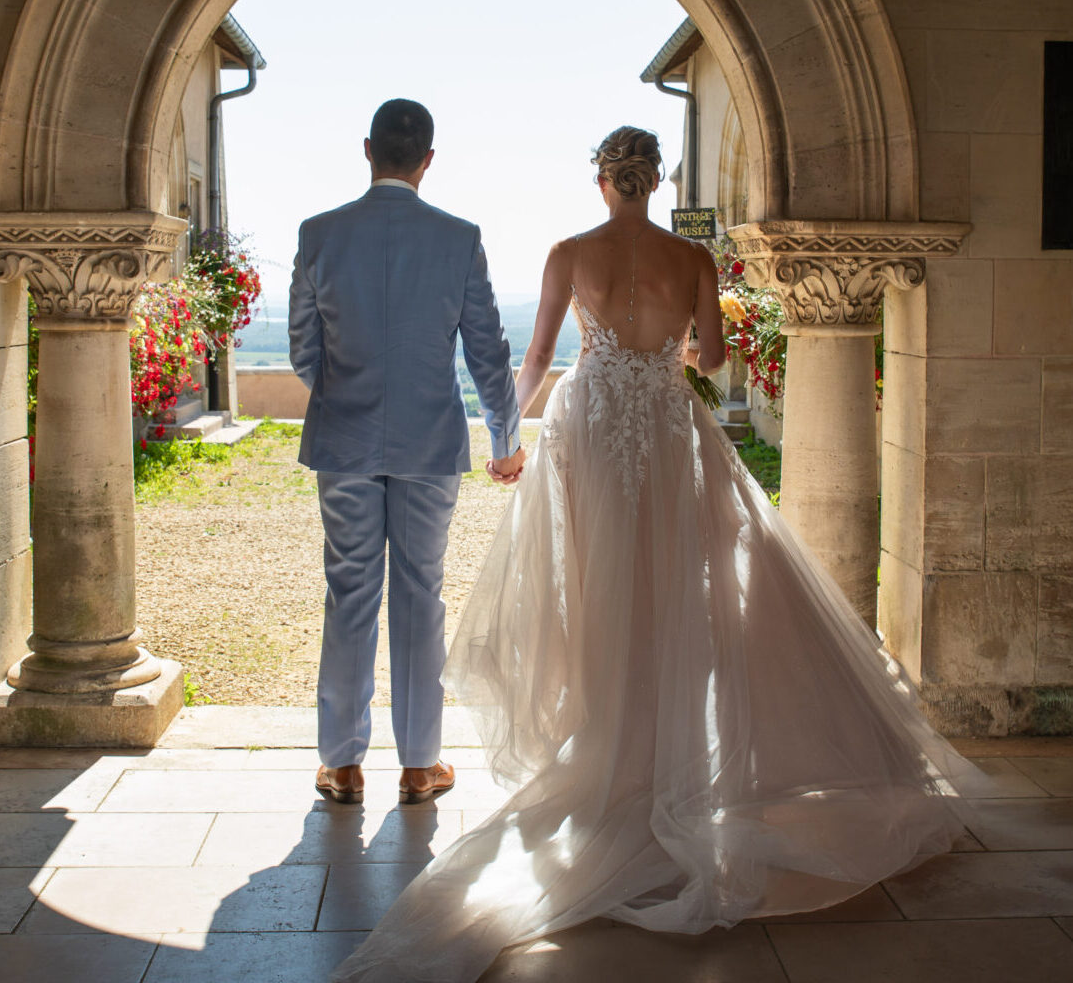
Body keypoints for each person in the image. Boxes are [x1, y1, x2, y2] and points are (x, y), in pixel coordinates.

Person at [331, 126, 984, 983]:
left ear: (603, 180)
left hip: (594, 427)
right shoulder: (693, 260)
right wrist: (671, 351)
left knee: (594, 583)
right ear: (655, 179)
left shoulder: (570, 251)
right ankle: (666, 743)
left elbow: (533, 358)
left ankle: (605, 732)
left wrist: (503, 437)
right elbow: (710, 356)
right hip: (670, 431)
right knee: (681, 582)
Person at [289, 97, 525, 808]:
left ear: (368, 151)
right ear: (428, 159)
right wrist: (506, 439)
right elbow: (488, 350)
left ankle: (341, 764)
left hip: (345, 437)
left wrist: (343, 393)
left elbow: (304, 349)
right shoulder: (458, 238)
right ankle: (421, 766)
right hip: (429, 439)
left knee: (350, 592)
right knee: (421, 595)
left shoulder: (320, 233)